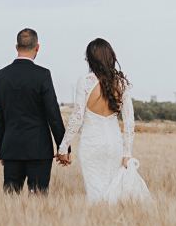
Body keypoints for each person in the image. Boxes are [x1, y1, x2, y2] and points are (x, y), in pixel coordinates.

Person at [56, 38, 152, 203]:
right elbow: (129, 122)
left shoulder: (86, 82)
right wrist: (127, 153)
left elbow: (77, 117)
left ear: (90, 59)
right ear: (111, 57)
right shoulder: (121, 84)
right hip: (114, 145)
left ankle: (98, 217)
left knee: (95, 194)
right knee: (114, 191)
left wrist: (63, 147)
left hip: (91, 144)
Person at [0, 28, 67, 194]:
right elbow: (53, 114)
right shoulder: (42, 75)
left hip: (11, 148)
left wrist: (2, 151)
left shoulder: (0, 77)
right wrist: (63, 148)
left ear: (16, 47)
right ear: (37, 47)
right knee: (38, 200)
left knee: (10, 202)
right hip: (39, 149)